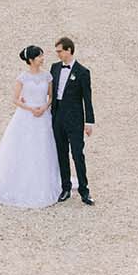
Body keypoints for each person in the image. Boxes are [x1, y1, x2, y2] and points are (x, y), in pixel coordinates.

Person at [0, 46, 62, 208]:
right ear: (31, 60)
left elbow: (51, 96)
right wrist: (30, 109)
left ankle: (44, 181)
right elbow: (15, 99)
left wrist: (44, 107)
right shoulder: (22, 78)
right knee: (23, 148)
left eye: (42, 56)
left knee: (44, 148)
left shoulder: (47, 76)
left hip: (43, 115)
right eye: (39, 56)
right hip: (26, 116)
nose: (42, 59)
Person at [50, 35, 95, 205]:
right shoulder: (54, 68)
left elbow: (87, 99)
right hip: (58, 117)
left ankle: (84, 191)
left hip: (75, 120)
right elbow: (50, 92)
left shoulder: (83, 72)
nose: (58, 54)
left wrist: (89, 122)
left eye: (60, 51)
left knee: (77, 154)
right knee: (61, 153)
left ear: (69, 50)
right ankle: (65, 188)